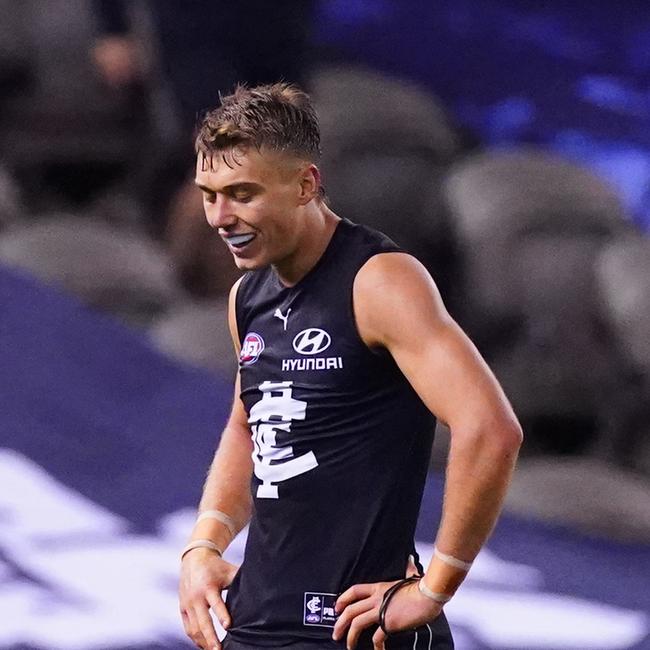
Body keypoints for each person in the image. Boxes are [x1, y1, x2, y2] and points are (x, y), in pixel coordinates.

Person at [178, 83, 522, 650]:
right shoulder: (247, 296)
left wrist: (435, 589)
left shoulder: (381, 281)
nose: (220, 216)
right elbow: (249, 426)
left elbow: (490, 429)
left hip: (358, 630)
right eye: (209, 194)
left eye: (242, 193)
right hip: (255, 623)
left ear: (306, 185)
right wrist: (204, 546)